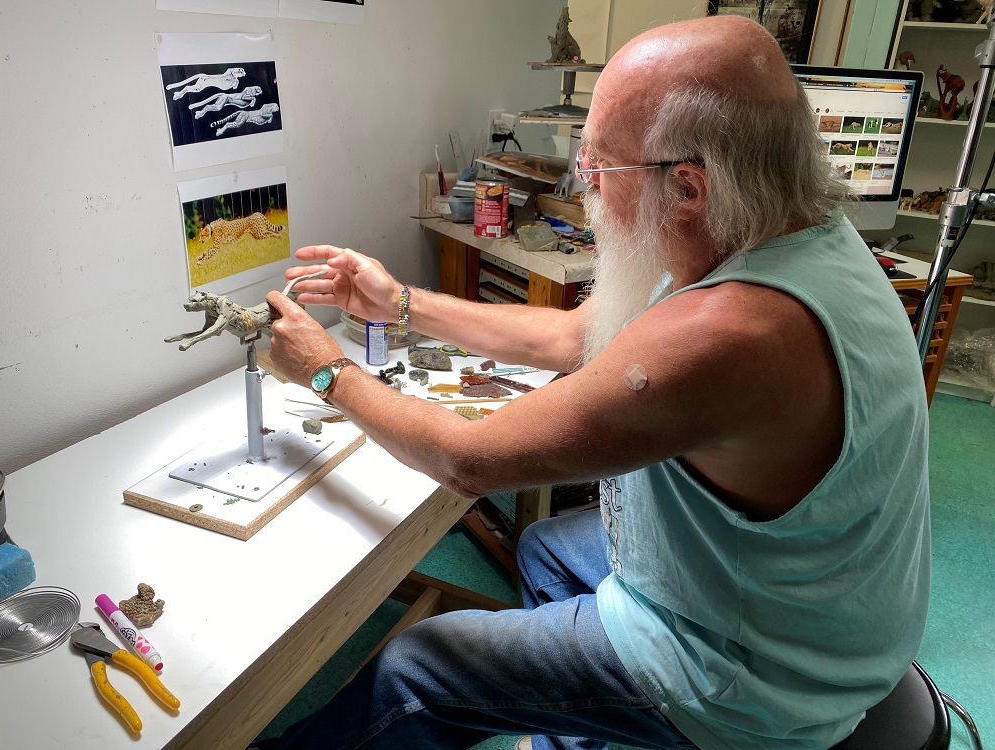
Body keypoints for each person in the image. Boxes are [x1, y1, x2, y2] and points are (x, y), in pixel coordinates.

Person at [261, 14, 931, 750]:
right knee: (548, 547)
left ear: (687, 188)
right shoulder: (792, 235)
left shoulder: (734, 330)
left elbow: (467, 460)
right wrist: (401, 303)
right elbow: (570, 336)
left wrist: (326, 370)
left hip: (756, 679)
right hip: (820, 613)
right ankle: (573, 735)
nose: (586, 188)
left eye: (599, 168)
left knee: (420, 668)